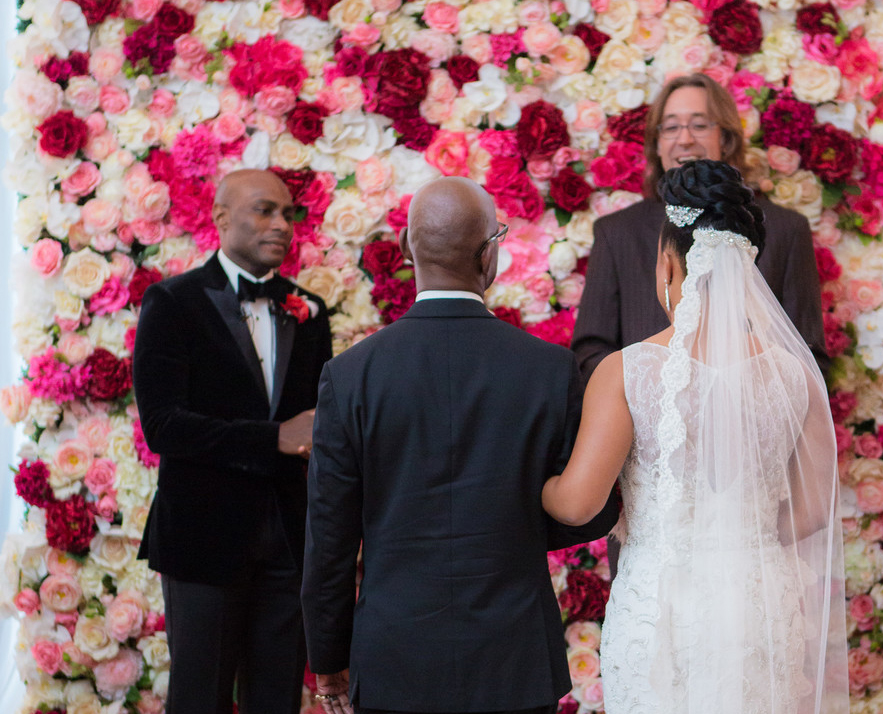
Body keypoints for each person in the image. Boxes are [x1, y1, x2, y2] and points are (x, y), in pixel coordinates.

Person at [301, 176, 619, 714]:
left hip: (394, 657)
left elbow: (330, 537)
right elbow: (590, 512)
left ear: (406, 250)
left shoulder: (351, 376)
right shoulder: (549, 369)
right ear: (489, 253)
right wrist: (511, 519)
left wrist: (328, 660)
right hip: (514, 658)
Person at [543, 160, 849, 714]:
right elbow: (813, 510)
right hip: (759, 607)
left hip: (662, 611)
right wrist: (744, 536)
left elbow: (579, 502)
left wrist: (534, 481)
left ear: (666, 262)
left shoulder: (627, 372)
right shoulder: (795, 374)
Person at [133, 169, 333, 714]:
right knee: (200, 699)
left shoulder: (309, 311)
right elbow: (163, 427)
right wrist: (274, 438)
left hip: (291, 542)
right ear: (221, 217)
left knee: (278, 701)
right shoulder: (172, 303)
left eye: (290, 213)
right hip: (203, 538)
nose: (283, 225)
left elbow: (320, 429)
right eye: (266, 210)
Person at [571, 73, 826, 381]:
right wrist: (655, 396)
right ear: (657, 142)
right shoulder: (617, 232)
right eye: (672, 126)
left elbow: (809, 356)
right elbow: (590, 351)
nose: (685, 138)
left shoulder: (786, 229)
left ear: (726, 138)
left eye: (700, 124)